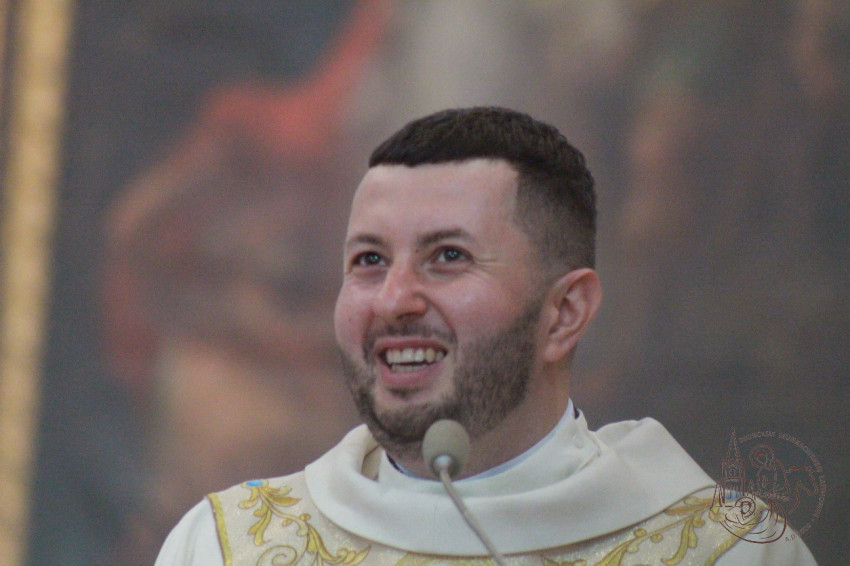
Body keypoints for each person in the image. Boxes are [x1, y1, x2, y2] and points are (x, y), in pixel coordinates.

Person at [154, 107, 817, 565]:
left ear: (565, 313)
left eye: (448, 257)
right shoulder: (225, 547)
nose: (394, 300)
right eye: (369, 260)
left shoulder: (725, 553)